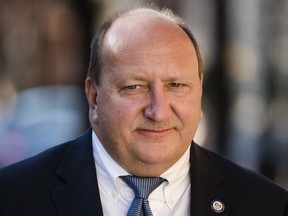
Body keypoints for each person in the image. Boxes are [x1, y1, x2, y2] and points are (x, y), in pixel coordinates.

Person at [0, 5, 288, 216]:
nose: (158, 111)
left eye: (176, 85)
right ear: (94, 97)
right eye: (134, 87)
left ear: (198, 93)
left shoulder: (267, 206)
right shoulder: (12, 198)